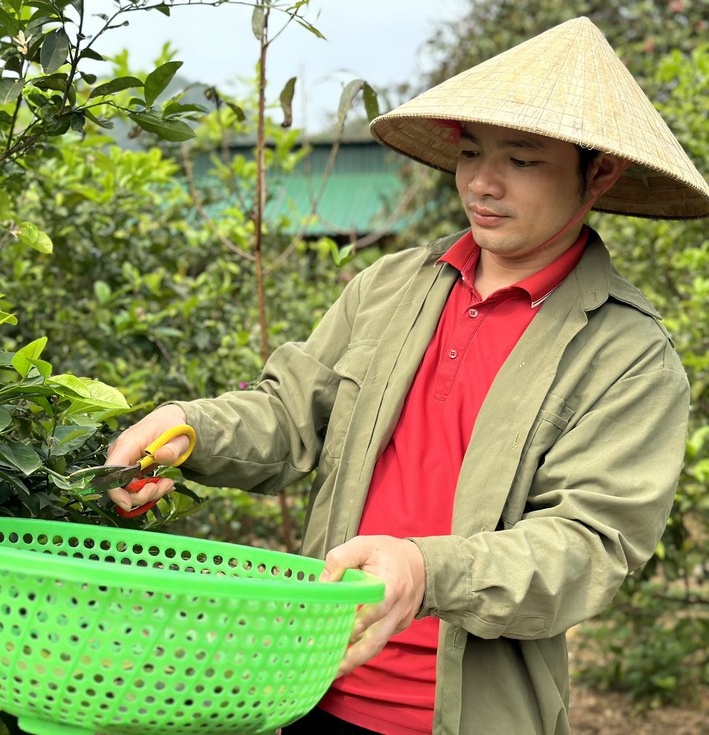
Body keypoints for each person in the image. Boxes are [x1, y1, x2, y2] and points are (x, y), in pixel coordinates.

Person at [102, 17, 709, 735]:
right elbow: (291, 413)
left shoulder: (625, 354)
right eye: (472, 151)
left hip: (464, 715)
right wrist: (185, 427)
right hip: (303, 686)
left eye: (521, 160)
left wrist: (424, 571)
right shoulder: (390, 285)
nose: (482, 182)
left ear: (598, 171)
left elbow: (587, 543)